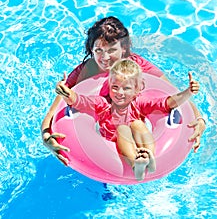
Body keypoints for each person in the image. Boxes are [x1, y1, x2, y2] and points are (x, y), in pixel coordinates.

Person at [41, 16, 206, 166]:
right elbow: (52, 113)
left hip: (133, 124)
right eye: (98, 50)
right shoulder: (87, 71)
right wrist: (47, 137)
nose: (105, 58)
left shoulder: (136, 66)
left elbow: (172, 93)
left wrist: (199, 120)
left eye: (112, 50)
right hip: (102, 128)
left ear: (124, 48)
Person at [56, 59, 200, 181]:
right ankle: (135, 165)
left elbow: (167, 103)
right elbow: (81, 101)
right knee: (123, 128)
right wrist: (66, 93)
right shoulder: (102, 104)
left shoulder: (140, 103)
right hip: (111, 145)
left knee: (137, 124)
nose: (119, 93)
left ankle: (149, 157)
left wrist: (188, 92)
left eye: (126, 88)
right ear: (109, 86)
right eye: (115, 87)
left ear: (137, 89)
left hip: (138, 141)